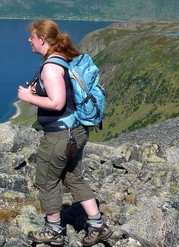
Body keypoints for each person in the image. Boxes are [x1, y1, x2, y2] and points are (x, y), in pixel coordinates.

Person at [17, 19, 112, 247]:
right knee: (72, 176)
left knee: (47, 180)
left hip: (60, 135)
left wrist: (29, 97)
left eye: (31, 36)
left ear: (41, 39)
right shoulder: (62, 58)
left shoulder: (50, 66)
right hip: (76, 131)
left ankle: (54, 230)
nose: (28, 40)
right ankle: (97, 225)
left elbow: (57, 102)